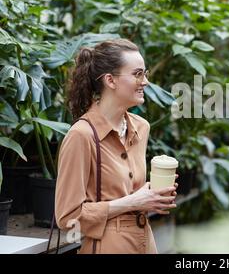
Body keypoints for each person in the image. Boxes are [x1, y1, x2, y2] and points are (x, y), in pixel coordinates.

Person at [55, 38, 177, 254]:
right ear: (110, 80)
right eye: (137, 74)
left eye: (145, 73)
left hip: (145, 242)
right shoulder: (81, 136)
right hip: (108, 245)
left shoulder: (141, 127)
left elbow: (135, 193)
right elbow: (67, 218)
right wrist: (132, 202)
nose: (145, 81)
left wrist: (153, 195)